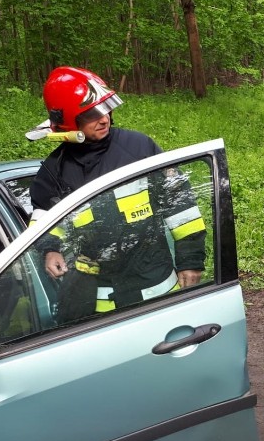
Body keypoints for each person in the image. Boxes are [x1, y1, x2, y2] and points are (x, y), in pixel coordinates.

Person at [29, 66, 206, 322]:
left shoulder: (139, 147)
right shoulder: (54, 170)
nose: (104, 119)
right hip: (96, 297)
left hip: (154, 284)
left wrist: (190, 260)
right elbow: (44, 218)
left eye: (106, 108)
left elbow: (181, 206)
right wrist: (50, 250)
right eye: (91, 114)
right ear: (69, 120)